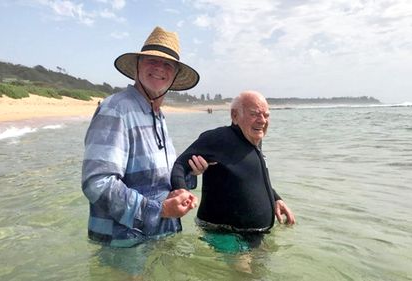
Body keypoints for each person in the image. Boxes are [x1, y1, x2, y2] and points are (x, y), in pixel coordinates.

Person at [81, 26, 206, 248]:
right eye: (151, 61)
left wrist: (185, 180)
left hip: (157, 240)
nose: (160, 68)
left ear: (174, 75)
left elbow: (154, 182)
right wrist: (162, 210)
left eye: (168, 64)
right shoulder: (116, 109)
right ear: (138, 66)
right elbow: (97, 183)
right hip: (125, 246)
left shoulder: (157, 115)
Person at [171, 90, 296, 253]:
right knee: (245, 276)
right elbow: (179, 164)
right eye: (255, 114)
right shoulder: (218, 138)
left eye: (266, 115)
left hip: (254, 233)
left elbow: (254, 178)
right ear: (235, 115)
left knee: (259, 273)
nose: (262, 120)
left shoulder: (253, 140)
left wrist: (276, 199)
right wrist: (181, 191)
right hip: (224, 232)